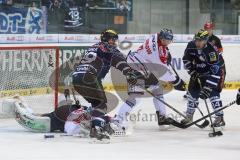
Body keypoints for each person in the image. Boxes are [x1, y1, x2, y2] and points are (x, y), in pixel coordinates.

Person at [71, 29, 139, 139]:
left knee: (96, 103)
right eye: (112, 40)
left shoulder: (94, 46)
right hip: (89, 77)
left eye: (115, 41)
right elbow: (119, 61)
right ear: (106, 39)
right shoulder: (108, 48)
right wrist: (129, 73)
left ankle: (90, 122)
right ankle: (96, 129)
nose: (114, 43)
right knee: (102, 104)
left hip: (76, 78)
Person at [113, 28, 186, 129]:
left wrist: (166, 53)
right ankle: (117, 121)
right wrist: (177, 81)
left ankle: (162, 118)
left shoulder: (155, 37)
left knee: (157, 89)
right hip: (138, 70)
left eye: (170, 40)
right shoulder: (158, 54)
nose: (168, 42)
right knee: (135, 98)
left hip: (136, 64)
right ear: (162, 38)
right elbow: (163, 71)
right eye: (167, 40)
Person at [181, 29, 226, 127]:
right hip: (198, 71)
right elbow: (186, 59)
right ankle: (189, 116)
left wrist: (208, 87)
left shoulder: (212, 51)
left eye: (200, 40)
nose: (197, 42)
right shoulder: (191, 45)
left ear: (205, 40)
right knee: (192, 93)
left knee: (213, 94)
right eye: (196, 40)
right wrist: (192, 71)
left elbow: (216, 70)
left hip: (214, 72)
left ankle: (220, 117)